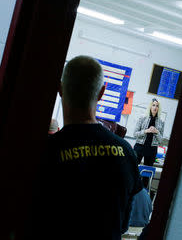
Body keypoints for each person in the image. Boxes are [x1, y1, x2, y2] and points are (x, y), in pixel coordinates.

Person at [32, 56, 143, 240]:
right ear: (102, 93)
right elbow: (123, 224)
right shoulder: (126, 152)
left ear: (60, 89)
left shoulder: (44, 152)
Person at [133, 98, 165, 166]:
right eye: (153, 105)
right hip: (140, 146)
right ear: (150, 106)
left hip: (152, 149)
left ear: (159, 108)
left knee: (147, 172)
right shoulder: (142, 118)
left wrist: (156, 132)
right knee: (133, 168)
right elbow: (135, 134)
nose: (155, 107)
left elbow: (161, 140)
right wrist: (146, 131)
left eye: (157, 106)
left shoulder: (161, 121)